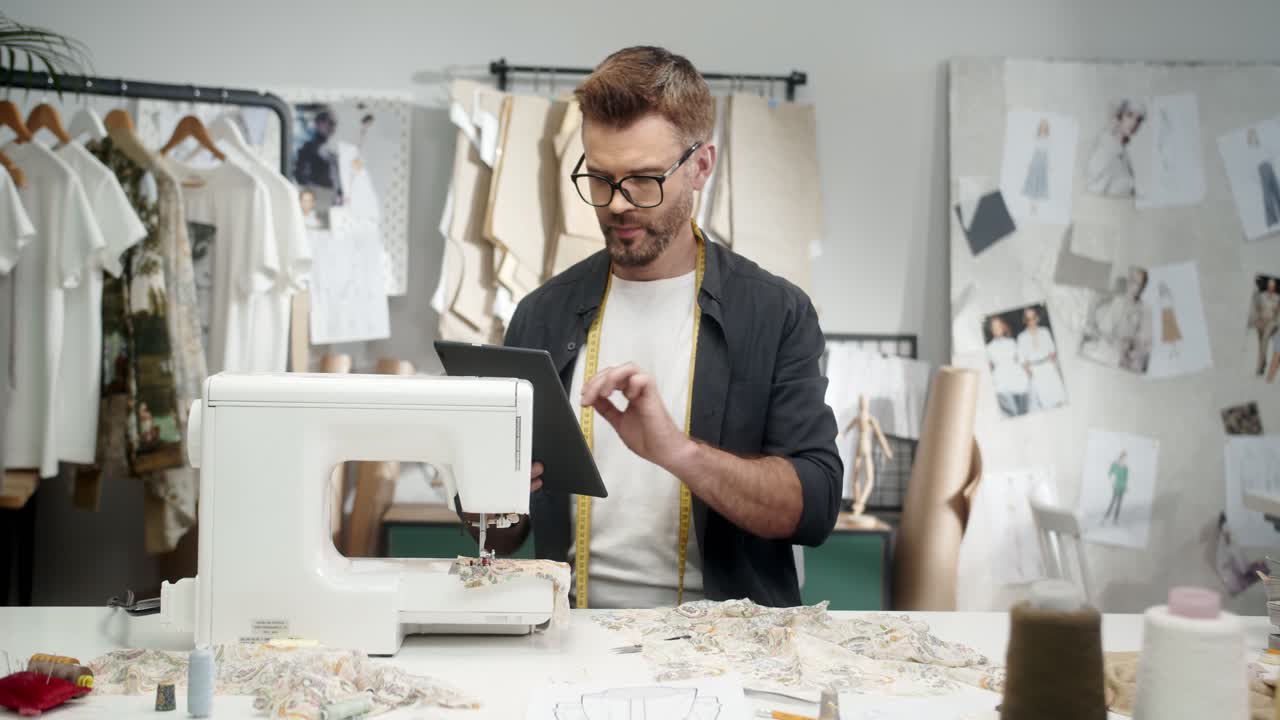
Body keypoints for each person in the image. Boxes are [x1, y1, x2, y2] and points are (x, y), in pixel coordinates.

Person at [478, 46, 842, 609]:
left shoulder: (777, 314)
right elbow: (502, 535)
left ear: (701, 165)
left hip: (728, 643)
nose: (617, 205)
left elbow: (814, 508)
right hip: (572, 632)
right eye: (600, 179)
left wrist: (679, 453)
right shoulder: (541, 314)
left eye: (644, 180)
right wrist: (486, 494)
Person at [1086, 99, 1145, 196]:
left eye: (1139, 119)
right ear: (1119, 117)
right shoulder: (1105, 147)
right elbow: (1092, 187)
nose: (1134, 123)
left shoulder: (1124, 152)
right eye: (1129, 115)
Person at [1016, 306, 1066, 411]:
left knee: (1059, 399)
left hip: (1049, 367)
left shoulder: (1045, 331)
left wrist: (1053, 365)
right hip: (1035, 371)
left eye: (1033, 317)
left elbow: (1052, 350)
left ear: (1037, 318)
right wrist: (1029, 372)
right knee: (1045, 403)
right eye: (1028, 319)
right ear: (1024, 320)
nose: (1031, 321)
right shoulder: (1021, 337)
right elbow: (1022, 359)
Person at [294, 108, 343, 204]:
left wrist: (339, 194)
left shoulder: (331, 150)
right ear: (319, 124)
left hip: (332, 201)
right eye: (330, 123)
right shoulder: (308, 148)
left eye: (334, 124)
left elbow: (336, 177)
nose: (333, 128)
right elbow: (301, 177)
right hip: (318, 201)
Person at [986, 315, 1029, 417]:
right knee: (1012, 412)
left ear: (1003, 327)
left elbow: (1020, 359)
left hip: (1017, 377)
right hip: (1001, 380)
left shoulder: (1012, 342)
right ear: (991, 330)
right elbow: (989, 366)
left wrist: (1026, 371)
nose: (997, 329)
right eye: (994, 327)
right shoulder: (989, 348)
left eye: (999, 326)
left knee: (1023, 411)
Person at [1251, 276, 1280, 375]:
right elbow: (1258, 309)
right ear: (1267, 286)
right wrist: (1259, 320)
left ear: (1274, 287)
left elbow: (1276, 314)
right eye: (1269, 286)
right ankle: (1263, 362)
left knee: (1264, 342)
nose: (1271, 288)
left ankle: (1260, 368)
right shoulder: (1262, 295)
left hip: (1271, 323)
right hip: (1261, 321)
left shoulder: (1277, 297)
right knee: (1260, 345)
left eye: (1272, 286)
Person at [1102, 451, 1128, 524]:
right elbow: (1110, 473)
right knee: (1113, 502)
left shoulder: (1126, 468)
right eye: (1123, 457)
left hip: (1122, 488)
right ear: (1120, 457)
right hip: (1116, 486)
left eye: (1125, 457)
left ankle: (1115, 519)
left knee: (1119, 504)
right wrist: (1112, 481)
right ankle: (1106, 517)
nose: (1124, 459)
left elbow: (1126, 478)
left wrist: (1125, 487)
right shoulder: (1115, 464)